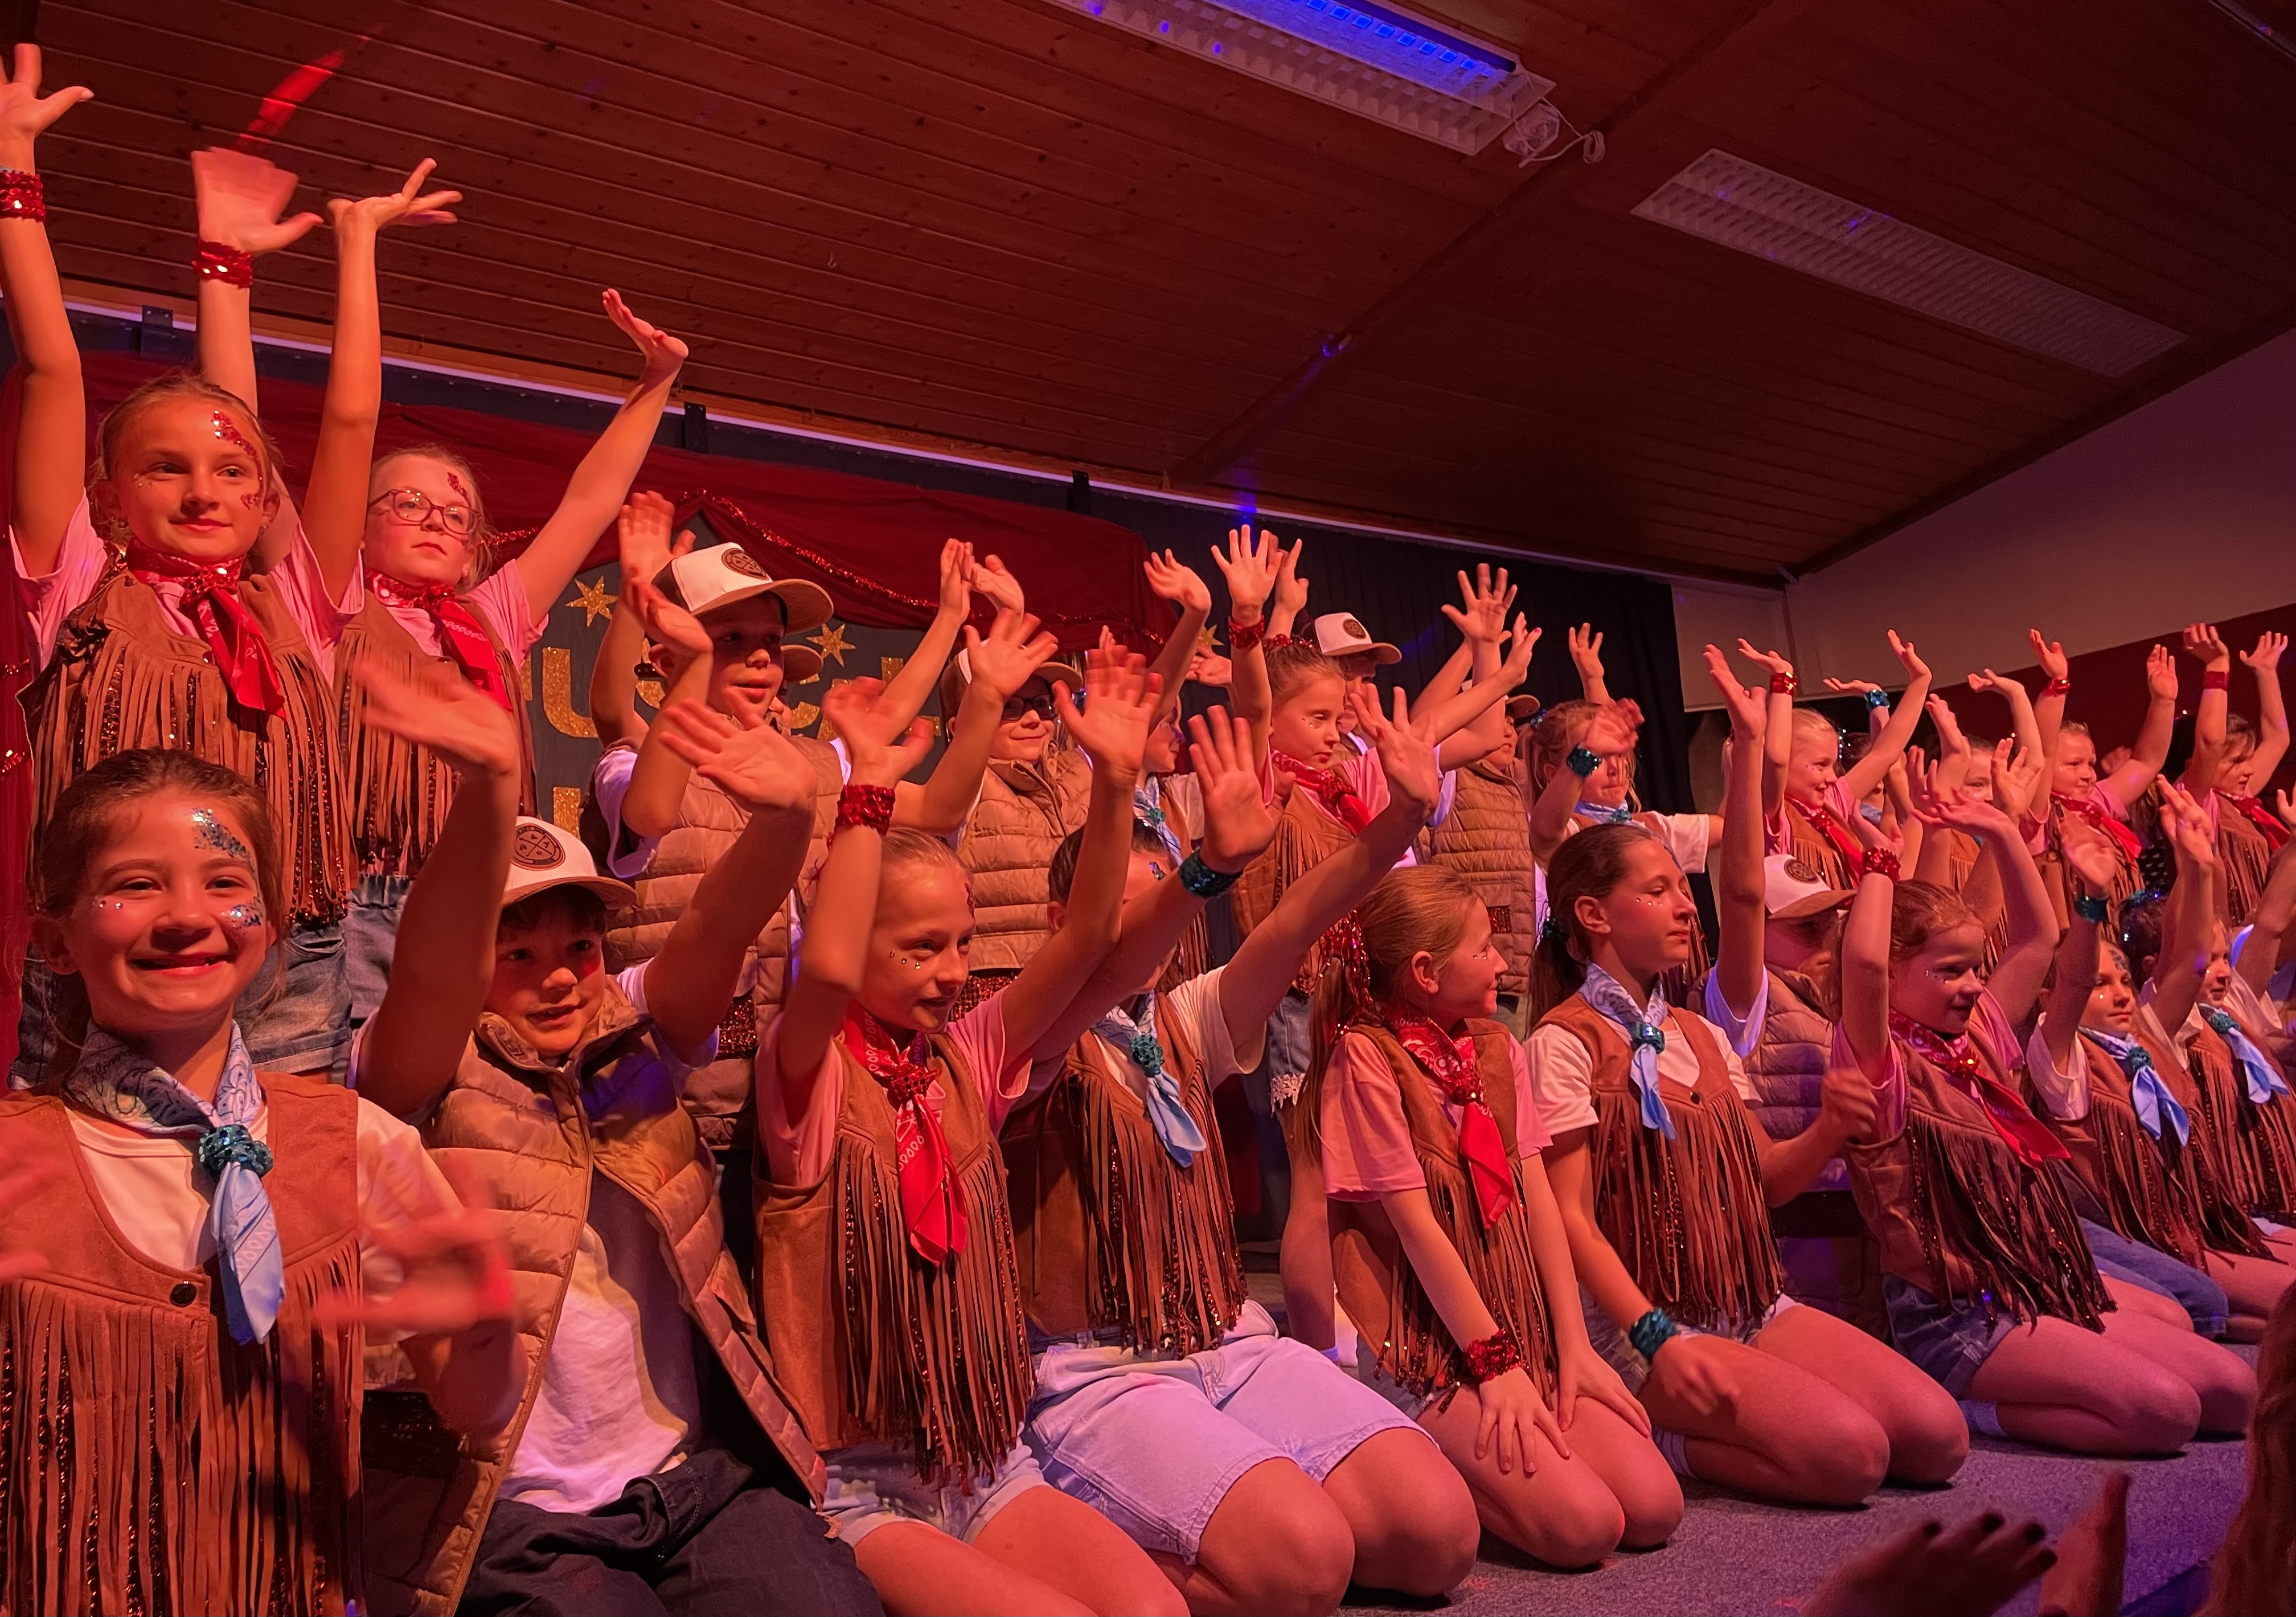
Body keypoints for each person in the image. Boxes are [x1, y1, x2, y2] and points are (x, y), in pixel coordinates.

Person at [343, 658, 875, 1615]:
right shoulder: (421, 1067)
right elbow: (431, 970)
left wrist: (788, 819)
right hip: (516, 1514)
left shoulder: (631, 1031)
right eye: (518, 952)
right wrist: (489, 790)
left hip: (691, 1482)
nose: (557, 977)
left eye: (579, 948)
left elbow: (713, 928)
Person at [1, 736, 526, 1615]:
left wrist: (481, 1326)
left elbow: (481, 1406)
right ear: (56, 939)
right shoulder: (15, 1165)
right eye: (136, 883)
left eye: (225, 880)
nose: (186, 914)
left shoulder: (358, 1146)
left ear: (273, 922)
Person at [1007, 695, 1481, 1612]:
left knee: (1438, 1533)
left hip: (1226, 1340)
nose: (1155, 924)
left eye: (1168, 898)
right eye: (1133, 903)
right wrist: (1195, 859)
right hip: (1104, 1370)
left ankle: (1240, 1516)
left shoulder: (1185, 1017)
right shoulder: (1023, 1033)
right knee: (1304, 1563)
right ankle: (1080, 1535)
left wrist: (1400, 820)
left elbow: (1294, 921)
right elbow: (1094, 971)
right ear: (1065, 915)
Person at [743, 647, 1184, 1616]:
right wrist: (865, 792)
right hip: (859, 1482)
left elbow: (1087, 944)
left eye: (963, 943)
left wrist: (1114, 782)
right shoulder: (806, 1068)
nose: (953, 971)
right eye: (920, 948)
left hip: (982, 1455)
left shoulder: (965, 1056)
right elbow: (824, 970)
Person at [1531, 649, 1967, 1507]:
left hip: (1744, 1298)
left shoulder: (1694, 1032)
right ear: (1593, 914)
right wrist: (1654, 1332)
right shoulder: (1562, 1042)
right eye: (1659, 891)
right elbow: (1570, 1219)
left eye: (1679, 888)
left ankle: (1746, 1397)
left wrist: (1828, 1129)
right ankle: (1661, 1433)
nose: (1684, 905)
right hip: (1643, 1320)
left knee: (1935, 1436)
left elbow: (1762, 1178)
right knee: (1849, 1458)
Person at [4, 52, 365, 1078]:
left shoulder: (296, 604)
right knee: (93, 1177)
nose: (204, 492)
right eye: (165, 469)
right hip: (106, 960)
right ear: (109, 498)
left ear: (265, 500)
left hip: (287, 960)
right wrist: (15, 172)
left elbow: (347, 418)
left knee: (293, 1173)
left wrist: (232, 270)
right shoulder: (76, 588)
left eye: (231, 473)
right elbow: (53, 367)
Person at [1834, 759, 2258, 1452]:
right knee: (2166, 1412)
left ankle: (2043, 1375)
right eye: (1949, 971)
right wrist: (1880, 860)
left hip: (2038, 1276)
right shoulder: (1880, 1058)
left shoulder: (1976, 1033)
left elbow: (2037, 940)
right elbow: (1865, 966)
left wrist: (2004, 830)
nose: (1974, 985)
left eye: (1975, 968)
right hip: (1958, 1311)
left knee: (2232, 1390)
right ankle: (1973, 1405)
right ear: (1895, 972)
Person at [1314, 858, 1684, 1568]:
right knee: (1584, 1529)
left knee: (1653, 1507)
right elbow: (1417, 1228)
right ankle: (1420, 1445)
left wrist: (1571, 1347)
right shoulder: (1366, 1058)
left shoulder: (1495, 1046)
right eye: (1483, 947)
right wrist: (1493, 1365)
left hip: (1521, 1333)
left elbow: (1538, 1201)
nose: (1501, 961)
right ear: (1426, 971)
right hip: (1436, 1351)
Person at [1236, 554, 1534, 1349]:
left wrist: (1498, 669)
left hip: (1358, 998)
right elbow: (1254, 698)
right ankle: (1312, 1345)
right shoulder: (1264, 782)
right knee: (1311, 1179)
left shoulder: (1350, 785)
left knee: (1364, 1176)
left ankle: (1381, 1321)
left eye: (1336, 717)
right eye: (1317, 717)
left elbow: (1426, 732)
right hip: (1300, 996)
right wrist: (1255, 617)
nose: (1332, 730)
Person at [2031, 785, 2293, 1340]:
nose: (2121, 994)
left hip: (2199, 1225)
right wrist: (2092, 900)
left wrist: (2198, 866)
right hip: (2148, 1243)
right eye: (2103, 985)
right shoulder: (2063, 1060)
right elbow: (2073, 980)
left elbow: (2191, 962)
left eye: (2125, 980)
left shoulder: (2147, 1038)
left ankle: (2224, 1323)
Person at [949, 548, 1210, 1008]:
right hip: (1007, 997)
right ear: (960, 723)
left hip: (1089, 981)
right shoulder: (964, 792)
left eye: (1041, 704)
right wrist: (1011, 615)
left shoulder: (1077, 769)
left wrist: (1193, 617)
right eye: (1009, 706)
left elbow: (1149, 707)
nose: (1032, 717)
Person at [1745, 633, 1932, 889]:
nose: (1833, 777)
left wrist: (1920, 681)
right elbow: (1776, 759)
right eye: (1820, 765)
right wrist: (1783, 681)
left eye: (1833, 766)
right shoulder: (1772, 815)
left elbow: (1886, 752)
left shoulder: (1832, 803)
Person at [2031, 632, 2178, 924]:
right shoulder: (2037, 811)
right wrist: (2058, 683)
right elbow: (2042, 750)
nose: (2088, 774)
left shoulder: (2096, 801)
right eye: (2074, 764)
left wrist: (2163, 701)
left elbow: (2146, 761)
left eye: (2090, 764)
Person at [2183, 624, 2291, 927]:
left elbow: (2278, 738)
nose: (2250, 769)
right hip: (2224, 933)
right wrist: (2216, 670)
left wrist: (2266, 674)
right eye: (2236, 761)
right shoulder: (2198, 799)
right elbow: (2210, 743)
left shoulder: (2241, 797)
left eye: (2249, 759)